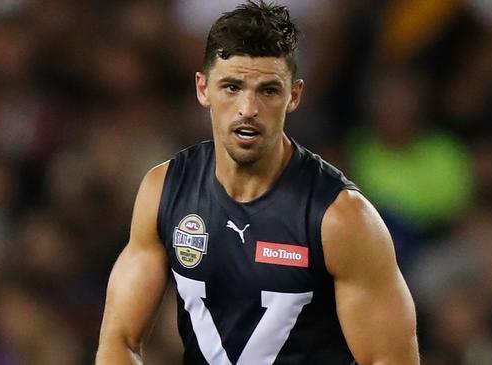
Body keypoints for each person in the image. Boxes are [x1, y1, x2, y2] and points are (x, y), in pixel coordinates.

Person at [96, 1, 419, 364]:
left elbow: (391, 358)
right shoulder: (164, 191)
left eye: (267, 90)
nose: (248, 108)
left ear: (294, 95)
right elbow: (119, 339)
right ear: (203, 89)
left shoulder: (341, 219)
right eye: (232, 87)